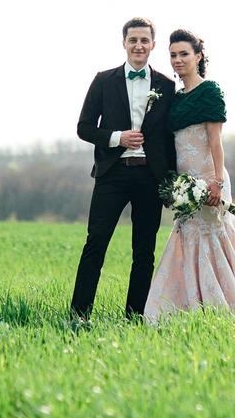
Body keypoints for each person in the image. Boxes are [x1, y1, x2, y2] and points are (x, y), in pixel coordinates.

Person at [144, 29, 235, 323]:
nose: (178, 60)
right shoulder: (174, 99)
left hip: (209, 176)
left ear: (198, 56)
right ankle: (188, 305)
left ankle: (226, 303)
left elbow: (215, 141)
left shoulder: (210, 91)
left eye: (184, 54)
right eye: (173, 55)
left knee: (214, 236)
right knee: (187, 237)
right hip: (184, 183)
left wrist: (216, 181)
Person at [70, 16, 177, 323]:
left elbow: (171, 138)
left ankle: (134, 317)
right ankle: (79, 315)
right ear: (124, 44)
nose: (139, 45)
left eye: (144, 40)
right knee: (95, 244)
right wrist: (117, 138)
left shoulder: (166, 87)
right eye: (133, 40)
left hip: (149, 177)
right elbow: (84, 127)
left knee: (144, 253)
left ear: (153, 45)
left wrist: (171, 180)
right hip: (112, 175)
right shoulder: (104, 80)